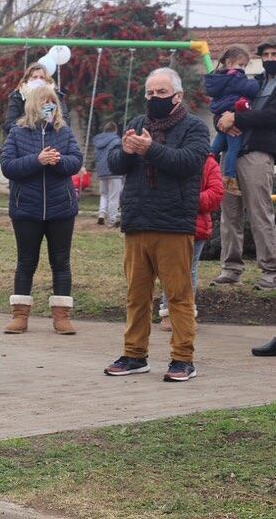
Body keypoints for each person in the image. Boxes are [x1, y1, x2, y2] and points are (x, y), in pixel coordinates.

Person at [103, 67, 209, 382]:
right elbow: (113, 164)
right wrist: (124, 149)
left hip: (173, 224)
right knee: (136, 295)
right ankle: (134, 354)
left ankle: (182, 359)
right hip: (137, 222)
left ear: (177, 96)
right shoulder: (137, 124)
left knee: (178, 295)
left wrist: (151, 149)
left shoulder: (195, 128)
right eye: (150, 92)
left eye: (161, 93)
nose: (154, 98)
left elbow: (188, 163)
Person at [0, 84, 83, 335]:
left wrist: (58, 161)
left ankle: (61, 316)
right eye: (44, 101)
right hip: (26, 208)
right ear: (33, 104)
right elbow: (8, 166)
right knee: (26, 262)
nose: (49, 105)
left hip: (61, 208)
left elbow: (76, 161)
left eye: (53, 101)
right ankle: (20, 315)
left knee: (61, 262)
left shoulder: (64, 132)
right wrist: (37, 160)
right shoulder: (17, 132)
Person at [213, 36, 276, 290]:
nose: (270, 59)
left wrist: (237, 117)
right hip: (231, 153)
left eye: (275, 55)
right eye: (267, 55)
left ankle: (271, 272)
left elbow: (272, 116)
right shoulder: (252, 82)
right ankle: (230, 268)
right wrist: (223, 118)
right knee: (229, 215)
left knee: (260, 214)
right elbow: (224, 103)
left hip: (258, 156)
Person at [157, 153, 223, 332]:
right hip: (169, 223)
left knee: (189, 270)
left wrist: (189, 199)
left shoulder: (208, 163)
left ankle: (184, 313)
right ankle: (168, 312)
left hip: (196, 227)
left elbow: (216, 193)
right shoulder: (172, 159)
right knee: (171, 269)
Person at [204, 44, 259, 197]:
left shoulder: (219, 79)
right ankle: (229, 178)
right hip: (233, 115)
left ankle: (205, 164)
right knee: (233, 148)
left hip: (222, 114)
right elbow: (250, 88)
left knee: (217, 144)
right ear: (229, 63)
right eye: (241, 65)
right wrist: (256, 82)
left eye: (244, 66)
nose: (243, 69)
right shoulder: (235, 77)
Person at [2, 61, 70, 136]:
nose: (38, 80)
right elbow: (8, 126)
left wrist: (46, 107)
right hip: (25, 140)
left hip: (50, 140)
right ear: (27, 80)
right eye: (34, 77)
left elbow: (65, 123)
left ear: (47, 81)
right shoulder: (18, 97)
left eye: (42, 77)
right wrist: (31, 112)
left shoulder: (56, 97)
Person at [93, 122, 123, 226]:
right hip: (114, 171)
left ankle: (101, 214)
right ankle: (112, 220)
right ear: (115, 130)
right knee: (114, 196)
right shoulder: (116, 141)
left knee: (104, 194)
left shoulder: (97, 141)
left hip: (102, 172)